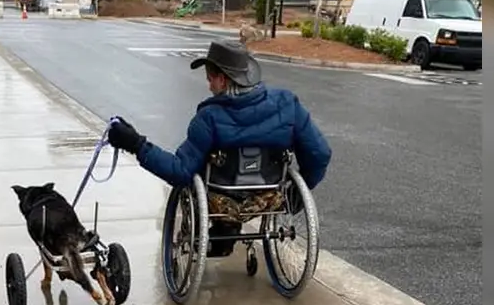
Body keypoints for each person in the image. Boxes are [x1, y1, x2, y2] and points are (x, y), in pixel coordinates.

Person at [107, 40, 332, 257]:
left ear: (222, 80)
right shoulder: (288, 104)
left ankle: (223, 235)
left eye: (210, 79)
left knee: (199, 179)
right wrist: (294, 197)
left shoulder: (209, 118)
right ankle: (227, 233)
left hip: (222, 203)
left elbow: (180, 172)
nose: (209, 86)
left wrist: (136, 144)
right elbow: (320, 153)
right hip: (270, 196)